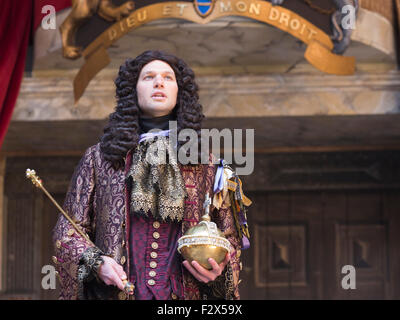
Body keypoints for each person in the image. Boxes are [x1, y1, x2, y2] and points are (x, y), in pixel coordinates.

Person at [52, 50, 248, 300]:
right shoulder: (98, 159)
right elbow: (66, 232)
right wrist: (97, 262)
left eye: (168, 77)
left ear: (179, 92)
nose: (159, 82)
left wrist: (218, 269)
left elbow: (228, 238)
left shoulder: (206, 164)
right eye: (148, 77)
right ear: (133, 90)